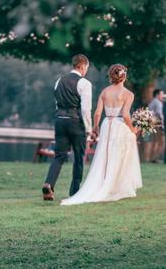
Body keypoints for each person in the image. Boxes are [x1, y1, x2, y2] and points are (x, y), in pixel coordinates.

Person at [61, 64, 142, 206]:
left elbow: (97, 112)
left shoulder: (105, 92)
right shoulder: (128, 94)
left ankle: (104, 183)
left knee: (104, 155)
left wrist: (96, 127)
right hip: (119, 125)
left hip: (106, 124)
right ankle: (114, 187)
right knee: (119, 156)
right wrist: (133, 129)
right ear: (124, 76)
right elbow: (125, 114)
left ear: (111, 76)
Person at [42, 54, 92, 201]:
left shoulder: (59, 81)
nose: (86, 71)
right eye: (87, 68)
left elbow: (57, 103)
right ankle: (74, 192)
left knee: (59, 156)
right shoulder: (84, 83)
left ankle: (49, 184)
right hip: (76, 122)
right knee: (79, 156)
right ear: (82, 66)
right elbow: (85, 109)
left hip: (59, 120)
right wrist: (89, 128)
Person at [145, 89, 165, 162]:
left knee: (149, 142)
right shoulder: (158, 103)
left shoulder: (152, 102)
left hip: (148, 125)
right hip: (156, 125)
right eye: (162, 94)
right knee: (159, 142)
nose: (163, 96)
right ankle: (154, 158)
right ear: (157, 95)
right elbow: (159, 115)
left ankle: (148, 159)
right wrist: (161, 126)